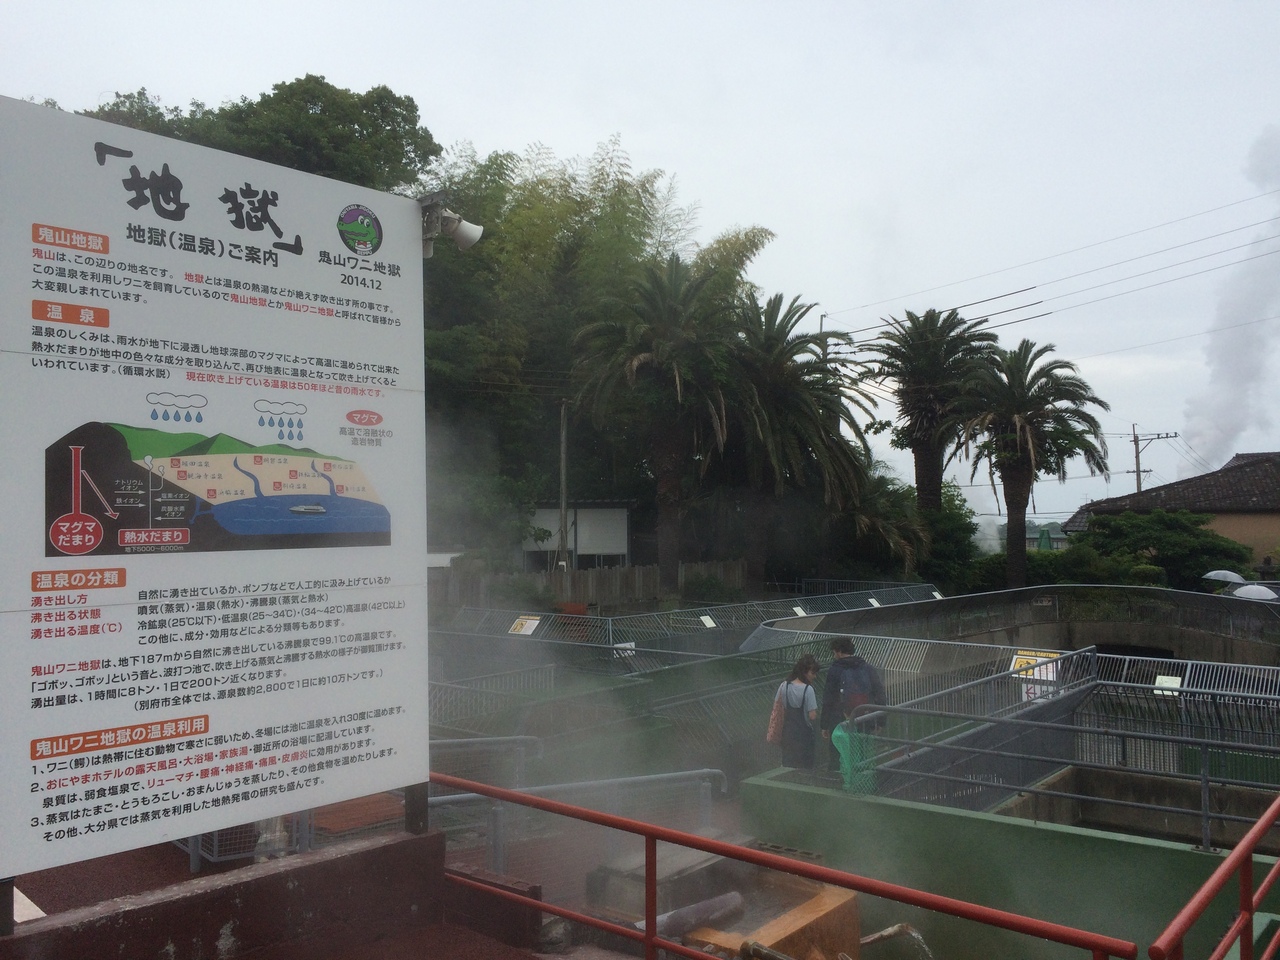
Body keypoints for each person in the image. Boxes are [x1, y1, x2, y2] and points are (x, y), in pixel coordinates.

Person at [821, 637, 886, 771]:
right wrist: (880, 721)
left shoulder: (835, 670)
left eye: (834, 653)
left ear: (839, 652)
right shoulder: (867, 668)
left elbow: (828, 698)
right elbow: (879, 694)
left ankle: (838, 773)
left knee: (838, 748)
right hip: (863, 715)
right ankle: (860, 773)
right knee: (860, 747)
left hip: (839, 717)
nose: (834, 656)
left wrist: (824, 724)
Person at [775, 654, 819, 768]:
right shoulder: (808, 690)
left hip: (788, 732)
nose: (815, 676)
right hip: (804, 735)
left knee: (788, 763)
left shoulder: (784, 686)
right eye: (813, 673)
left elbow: (779, 706)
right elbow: (812, 716)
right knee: (805, 766)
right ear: (804, 672)